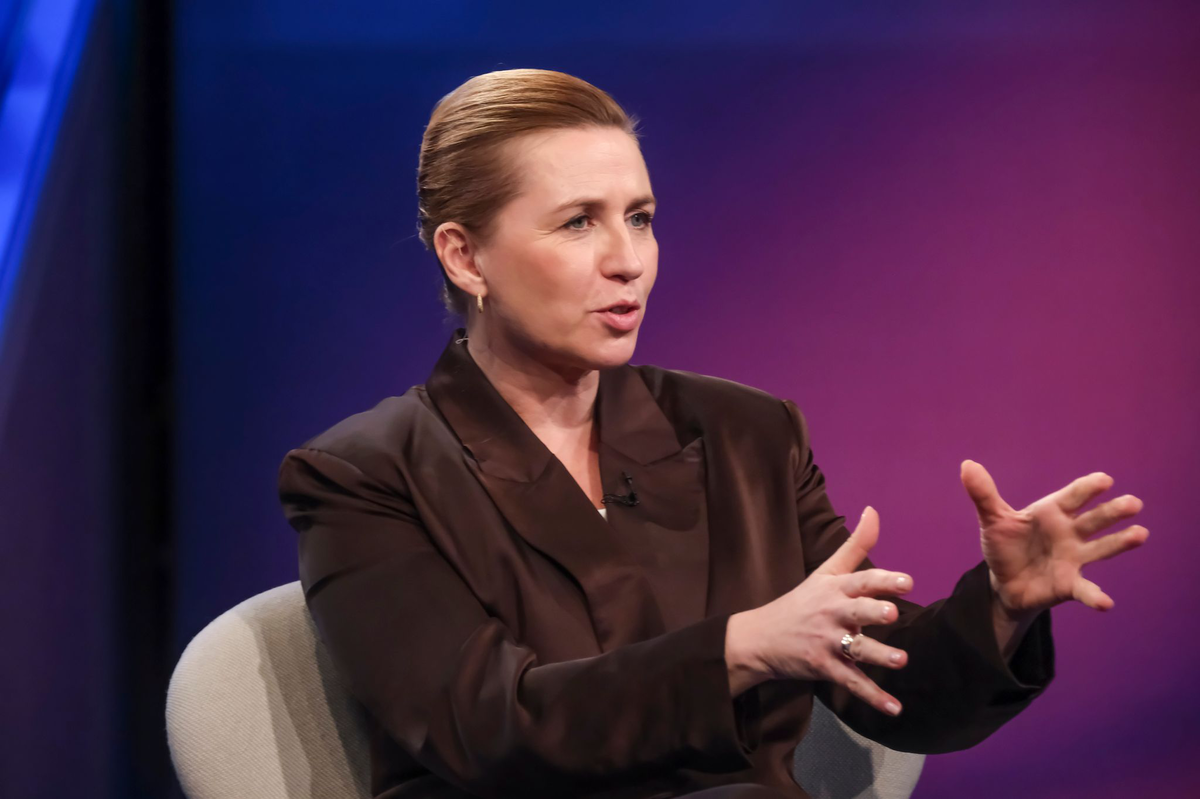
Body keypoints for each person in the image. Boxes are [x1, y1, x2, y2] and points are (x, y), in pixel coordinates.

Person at [276, 68, 1148, 799]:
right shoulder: (364, 474)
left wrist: (1000, 604)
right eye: (579, 221)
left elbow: (887, 681)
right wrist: (738, 647)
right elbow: (486, 728)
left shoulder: (745, 433)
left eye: (640, 217)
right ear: (466, 257)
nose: (628, 260)